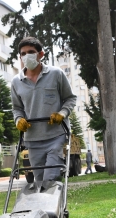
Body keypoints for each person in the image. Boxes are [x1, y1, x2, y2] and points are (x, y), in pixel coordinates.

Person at [11, 36, 77, 182]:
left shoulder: (56, 74)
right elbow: (17, 108)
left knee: (50, 179)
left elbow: (70, 98)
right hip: (32, 139)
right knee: (39, 181)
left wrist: (62, 113)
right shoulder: (16, 82)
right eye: (23, 53)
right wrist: (18, 120)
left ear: (41, 54)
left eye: (31, 52)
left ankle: (53, 203)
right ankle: (48, 205)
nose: (26, 56)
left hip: (56, 135)